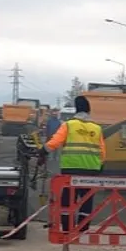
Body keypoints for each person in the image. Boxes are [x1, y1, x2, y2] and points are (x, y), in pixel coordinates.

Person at [41, 96, 106, 232]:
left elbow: (55, 141)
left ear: (76, 110)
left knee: (68, 200)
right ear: (89, 111)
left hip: (71, 169)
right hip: (92, 169)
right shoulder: (97, 128)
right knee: (87, 200)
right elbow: (102, 151)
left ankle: (67, 228)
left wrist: (43, 151)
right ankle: (83, 228)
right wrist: (100, 165)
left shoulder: (69, 125)